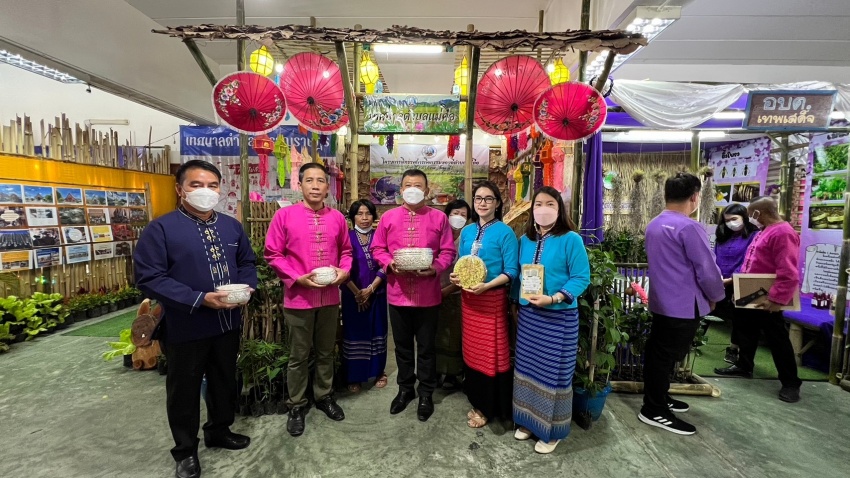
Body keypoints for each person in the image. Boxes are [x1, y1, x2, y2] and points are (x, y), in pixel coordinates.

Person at [134, 160, 257, 478]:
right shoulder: (161, 229)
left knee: (223, 381)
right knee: (184, 390)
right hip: (185, 324)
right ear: (180, 189)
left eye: (212, 185)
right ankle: (185, 451)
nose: (206, 191)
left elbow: (247, 262)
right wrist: (199, 298)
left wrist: (247, 287)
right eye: (196, 185)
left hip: (227, 322)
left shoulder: (231, 227)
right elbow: (150, 278)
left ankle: (219, 430)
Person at [265, 162, 352, 437]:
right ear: (299, 184)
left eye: (320, 181)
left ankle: (324, 396)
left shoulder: (337, 218)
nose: (315, 186)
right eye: (309, 180)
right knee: (298, 355)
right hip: (298, 298)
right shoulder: (284, 216)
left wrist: (344, 271)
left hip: (329, 297)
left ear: (328, 187)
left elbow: (346, 251)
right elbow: (273, 253)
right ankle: (296, 405)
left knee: (326, 351)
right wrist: (296, 277)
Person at [639, 172, 725, 436]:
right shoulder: (688, 227)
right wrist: (715, 295)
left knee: (658, 354)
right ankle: (654, 409)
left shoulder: (654, 224)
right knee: (665, 357)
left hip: (662, 301)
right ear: (695, 197)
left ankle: (659, 398)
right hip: (684, 304)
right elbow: (707, 269)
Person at [371, 169, 456, 422]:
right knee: (402, 347)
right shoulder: (388, 217)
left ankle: (426, 393)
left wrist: (435, 268)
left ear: (426, 191)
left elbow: (448, 252)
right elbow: (378, 248)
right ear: (401, 190)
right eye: (408, 185)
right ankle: (405, 389)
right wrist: (389, 263)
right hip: (398, 294)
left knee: (427, 348)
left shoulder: (439, 218)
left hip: (428, 295)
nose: (412, 189)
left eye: (418, 185)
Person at [511, 186, 590, 454]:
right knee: (527, 369)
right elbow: (520, 276)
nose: (543, 209)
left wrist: (555, 298)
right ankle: (528, 421)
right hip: (530, 317)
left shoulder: (571, 239)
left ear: (559, 209)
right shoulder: (525, 240)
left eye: (550, 204)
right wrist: (515, 303)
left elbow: (581, 277)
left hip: (559, 318)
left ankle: (552, 431)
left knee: (554, 375)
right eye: (538, 204)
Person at [714, 196, 803, 403]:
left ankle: (791, 382)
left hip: (767, 296)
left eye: (751, 214)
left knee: (777, 339)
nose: (749, 218)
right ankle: (744, 366)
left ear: (758, 213)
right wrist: (739, 288)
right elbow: (751, 262)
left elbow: (788, 271)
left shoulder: (783, 232)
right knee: (746, 331)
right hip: (750, 291)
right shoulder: (764, 230)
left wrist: (776, 299)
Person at [450, 181, 518, 429]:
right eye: (478, 198)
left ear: (497, 203)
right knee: (473, 351)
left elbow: (511, 271)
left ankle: (491, 407)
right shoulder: (467, 232)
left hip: (491, 300)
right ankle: (477, 400)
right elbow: (461, 263)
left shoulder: (505, 233)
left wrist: (487, 286)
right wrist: (456, 278)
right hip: (469, 300)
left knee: (492, 352)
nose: (483, 203)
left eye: (489, 199)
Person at [341, 200, 388, 393]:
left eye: (368, 213)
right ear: (352, 217)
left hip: (377, 293)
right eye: (360, 214)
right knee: (355, 333)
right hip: (352, 295)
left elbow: (386, 264)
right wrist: (358, 293)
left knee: (378, 331)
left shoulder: (380, 236)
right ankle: (354, 376)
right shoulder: (346, 237)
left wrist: (370, 289)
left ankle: (379, 372)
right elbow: (341, 266)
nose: (365, 218)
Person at [712, 203, 758, 365]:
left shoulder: (754, 235)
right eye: (726, 220)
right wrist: (715, 275)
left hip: (741, 281)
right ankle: (694, 341)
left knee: (740, 318)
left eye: (734, 219)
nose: (730, 223)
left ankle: (734, 349)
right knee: (707, 309)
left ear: (744, 218)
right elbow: (714, 256)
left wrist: (733, 278)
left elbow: (749, 260)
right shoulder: (722, 235)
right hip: (719, 280)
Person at [436, 199, 473, 390]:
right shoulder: (438, 234)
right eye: (455, 213)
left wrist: (448, 290)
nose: (458, 217)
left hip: (456, 293)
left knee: (453, 335)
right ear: (447, 215)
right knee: (434, 333)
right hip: (433, 293)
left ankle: (452, 374)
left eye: (463, 215)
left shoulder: (467, 239)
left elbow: (468, 269)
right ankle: (434, 372)